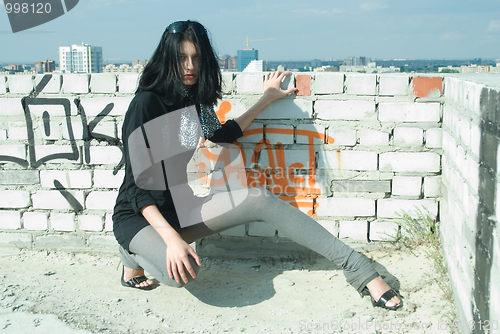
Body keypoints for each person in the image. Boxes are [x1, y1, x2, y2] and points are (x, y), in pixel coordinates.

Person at [112, 20, 402, 310]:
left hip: (178, 208)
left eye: (196, 58)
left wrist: (266, 98)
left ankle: (359, 269)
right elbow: (139, 188)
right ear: (168, 59)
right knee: (182, 273)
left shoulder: (193, 102)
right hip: (138, 215)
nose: (189, 66)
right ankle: (131, 255)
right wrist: (172, 241)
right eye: (181, 58)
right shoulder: (146, 104)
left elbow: (224, 133)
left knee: (259, 198)